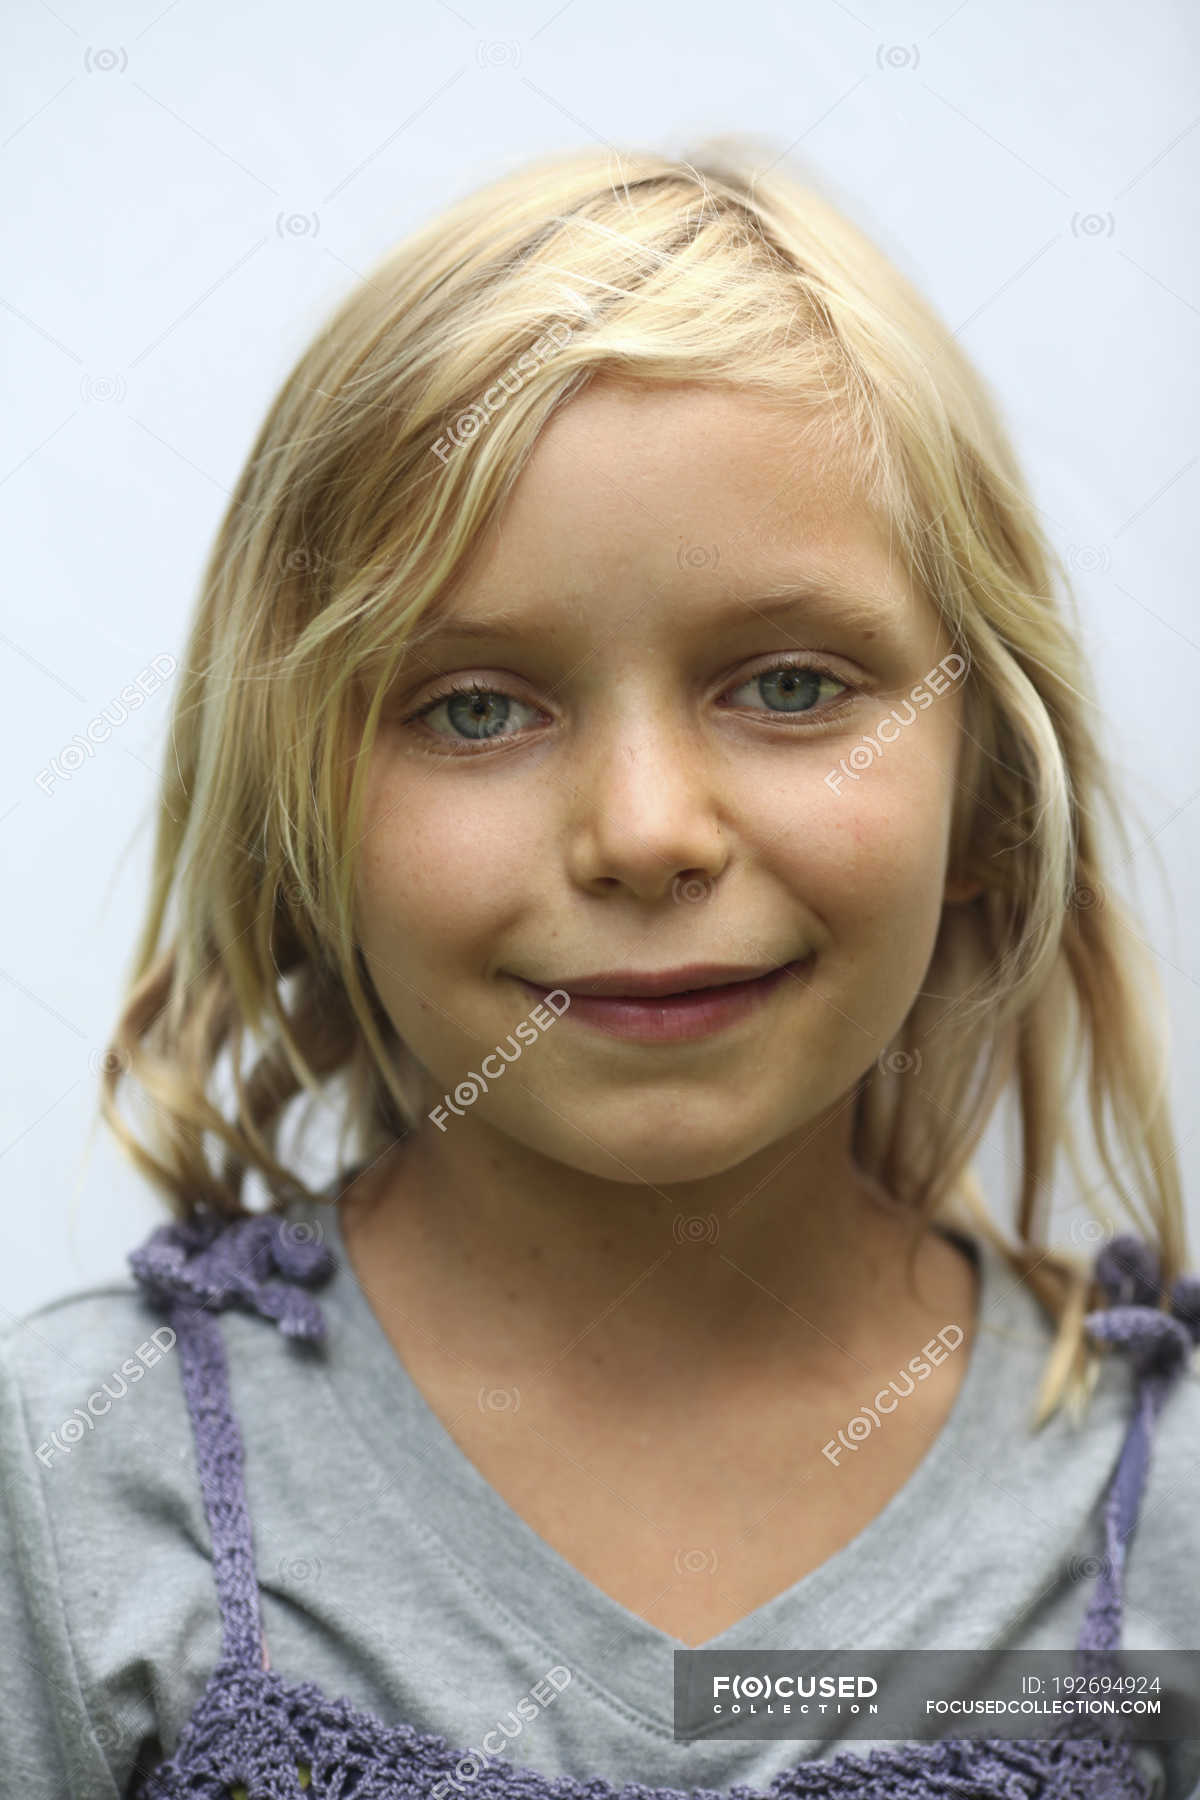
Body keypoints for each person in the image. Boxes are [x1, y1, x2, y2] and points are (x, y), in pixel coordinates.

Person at [2, 141, 1197, 1800]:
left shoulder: (1168, 1522)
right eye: (477, 706)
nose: (646, 834)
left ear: (987, 788)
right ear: (298, 821)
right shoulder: (76, 1489)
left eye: (789, 687)